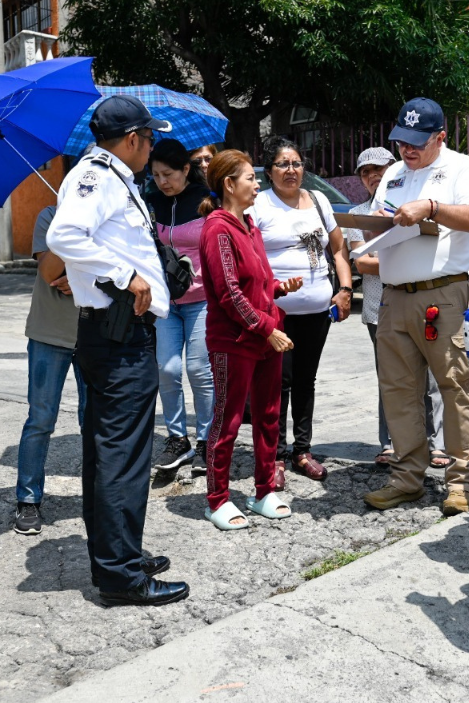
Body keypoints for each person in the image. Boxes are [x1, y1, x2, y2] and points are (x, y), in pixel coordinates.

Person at [46, 95, 188, 606]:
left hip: (125, 332)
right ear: (132, 139)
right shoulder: (98, 177)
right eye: (149, 139)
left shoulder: (114, 179)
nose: (152, 148)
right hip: (117, 334)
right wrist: (126, 275)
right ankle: (120, 575)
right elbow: (64, 234)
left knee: (115, 450)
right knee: (121, 454)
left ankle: (120, 551)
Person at [361, 97, 469, 517]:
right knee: (399, 390)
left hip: (442, 294)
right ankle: (406, 478)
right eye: (401, 141)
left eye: (417, 143)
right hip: (394, 296)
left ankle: (463, 481)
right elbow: (383, 219)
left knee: (453, 387)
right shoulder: (394, 173)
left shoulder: (460, 167)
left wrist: (431, 208)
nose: (407, 150)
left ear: (440, 137)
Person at [198, 149, 303, 530]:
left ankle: (262, 490)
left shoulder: (250, 226)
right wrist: (267, 328)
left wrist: (277, 288)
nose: (257, 185)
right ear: (229, 184)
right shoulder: (217, 227)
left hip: (263, 336)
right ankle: (217, 499)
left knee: (270, 416)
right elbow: (228, 293)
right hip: (234, 340)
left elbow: (253, 282)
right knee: (228, 420)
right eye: (250, 179)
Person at [251, 136, 353, 482]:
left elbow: (339, 251)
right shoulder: (259, 205)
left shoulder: (319, 200)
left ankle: (302, 451)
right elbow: (247, 257)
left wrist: (345, 290)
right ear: (269, 171)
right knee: (279, 381)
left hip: (317, 310)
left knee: (306, 380)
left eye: (296, 163)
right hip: (275, 311)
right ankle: (275, 456)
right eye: (282, 164)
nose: (291, 170)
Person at [344, 147, 447, 467]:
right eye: (366, 171)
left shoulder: (416, 207)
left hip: (425, 302)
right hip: (380, 307)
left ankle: (437, 442)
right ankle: (390, 442)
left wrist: (389, 258)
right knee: (392, 377)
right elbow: (364, 262)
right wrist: (407, 259)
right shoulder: (358, 214)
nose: (374, 176)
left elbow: (437, 254)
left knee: (430, 376)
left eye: (381, 169)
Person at [13, 205, 88, 535]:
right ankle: (28, 499)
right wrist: (69, 225)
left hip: (96, 335)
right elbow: (49, 271)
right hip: (48, 333)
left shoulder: (113, 216)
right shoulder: (50, 216)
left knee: (96, 419)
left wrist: (85, 278)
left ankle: (99, 497)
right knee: (41, 418)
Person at [144, 139, 214, 477]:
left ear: (187, 169)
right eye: (155, 175)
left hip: (203, 300)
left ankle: (207, 441)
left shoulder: (207, 201)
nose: (162, 181)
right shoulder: (150, 203)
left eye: (168, 174)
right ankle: (177, 439)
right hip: (166, 302)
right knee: (168, 369)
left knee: (199, 370)